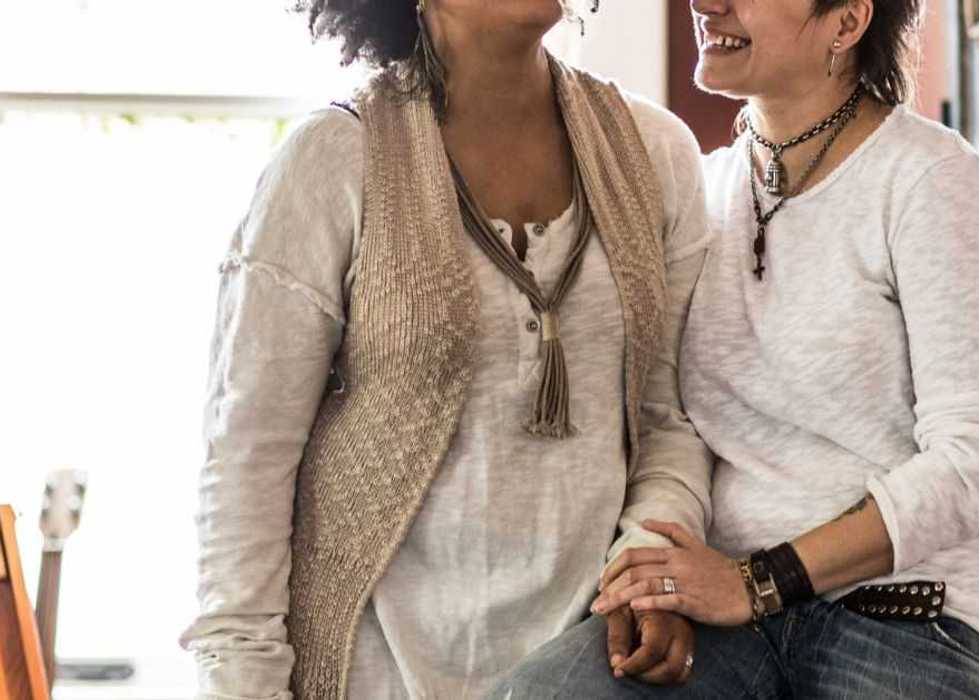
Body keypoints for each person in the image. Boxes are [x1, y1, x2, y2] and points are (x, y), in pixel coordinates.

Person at [489, 0, 979, 698]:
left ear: (846, 25)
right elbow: (675, 425)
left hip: (919, 612)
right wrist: (658, 582)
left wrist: (756, 582)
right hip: (733, 614)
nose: (705, 4)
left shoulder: (929, 181)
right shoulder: (700, 190)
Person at [179, 1, 714, 697]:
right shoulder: (332, 160)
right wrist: (242, 681)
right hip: (372, 672)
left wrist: (650, 562)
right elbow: (248, 457)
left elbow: (670, 417)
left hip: (587, 669)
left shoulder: (653, 151)